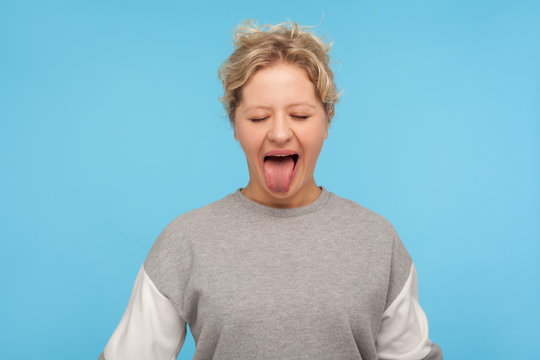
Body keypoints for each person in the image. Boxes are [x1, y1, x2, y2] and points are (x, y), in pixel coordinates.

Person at [99, 20, 443, 360]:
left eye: (300, 115)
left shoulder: (377, 241)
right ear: (235, 124)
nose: (279, 133)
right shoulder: (184, 242)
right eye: (259, 117)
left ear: (328, 120)